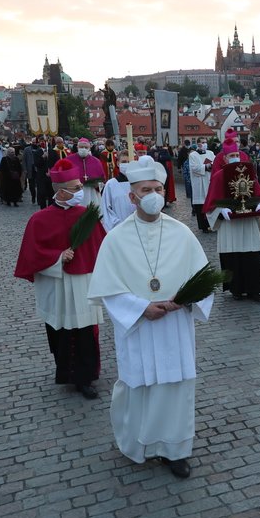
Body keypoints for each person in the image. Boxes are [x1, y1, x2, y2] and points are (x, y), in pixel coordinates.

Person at [88, 155, 213, 479]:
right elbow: (108, 288)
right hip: (140, 326)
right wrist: (141, 308)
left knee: (175, 387)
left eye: (158, 188)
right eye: (146, 189)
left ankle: (176, 450)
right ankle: (140, 444)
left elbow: (203, 279)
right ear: (132, 196)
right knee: (140, 386)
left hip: (174, 324)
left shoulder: (182, 233)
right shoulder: (115, 239)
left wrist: (182, 301)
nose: (154, 194)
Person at [14, 159, 106, 400]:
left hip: (81, 282)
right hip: (56, 284)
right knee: (62, 332)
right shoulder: (40, 219)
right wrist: (57, 257)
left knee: (85, 330)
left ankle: (85, 377)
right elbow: (32, 255)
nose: (80, 192)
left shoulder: (87, 215)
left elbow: (103, 247)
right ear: (61, 191)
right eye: (76, 188)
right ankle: (66, 372)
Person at [203, 137, 260, 301]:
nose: (235, 157)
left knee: (252, 256)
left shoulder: (249, 173)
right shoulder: (219, 176)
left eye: (236, 154)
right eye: (231, 155)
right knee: (233, 257)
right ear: (224, 158)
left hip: (247, 223)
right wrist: (220, 210)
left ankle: (255, 289)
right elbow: (210, 203)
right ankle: (236, 289)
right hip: (229, 225)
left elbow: (259, 195)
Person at [100, 152, 136, 231]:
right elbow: (105, 209)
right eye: (124, 162)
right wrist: (116, 224)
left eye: (129, 162)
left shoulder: (138, 183)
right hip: (117, 227)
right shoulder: (111, 184)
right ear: (118, 163)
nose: (127, 164)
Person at [65, 138, 105, 207]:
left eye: (86, 147)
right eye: (81, 147)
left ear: (89, 148)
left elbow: (102, 178)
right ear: (77, 147)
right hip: (75, 192)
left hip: (92, 192)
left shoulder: (96, 161)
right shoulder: (69, 160)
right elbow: (65, 176)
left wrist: (97, 185)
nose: (83, 149)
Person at [187, 139, 214, 233]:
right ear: (198, 144)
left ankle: (212, 224)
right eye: (202, 142)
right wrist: (206, 166)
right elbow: (194, 168)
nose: (204, 144)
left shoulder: (210, 153)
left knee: (211, 203)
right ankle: (204, 226)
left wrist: (212, 166)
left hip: (209, 180)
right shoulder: (193, 155)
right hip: (199, 182)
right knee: (201, 204)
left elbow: (215, 163)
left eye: (205, 142)